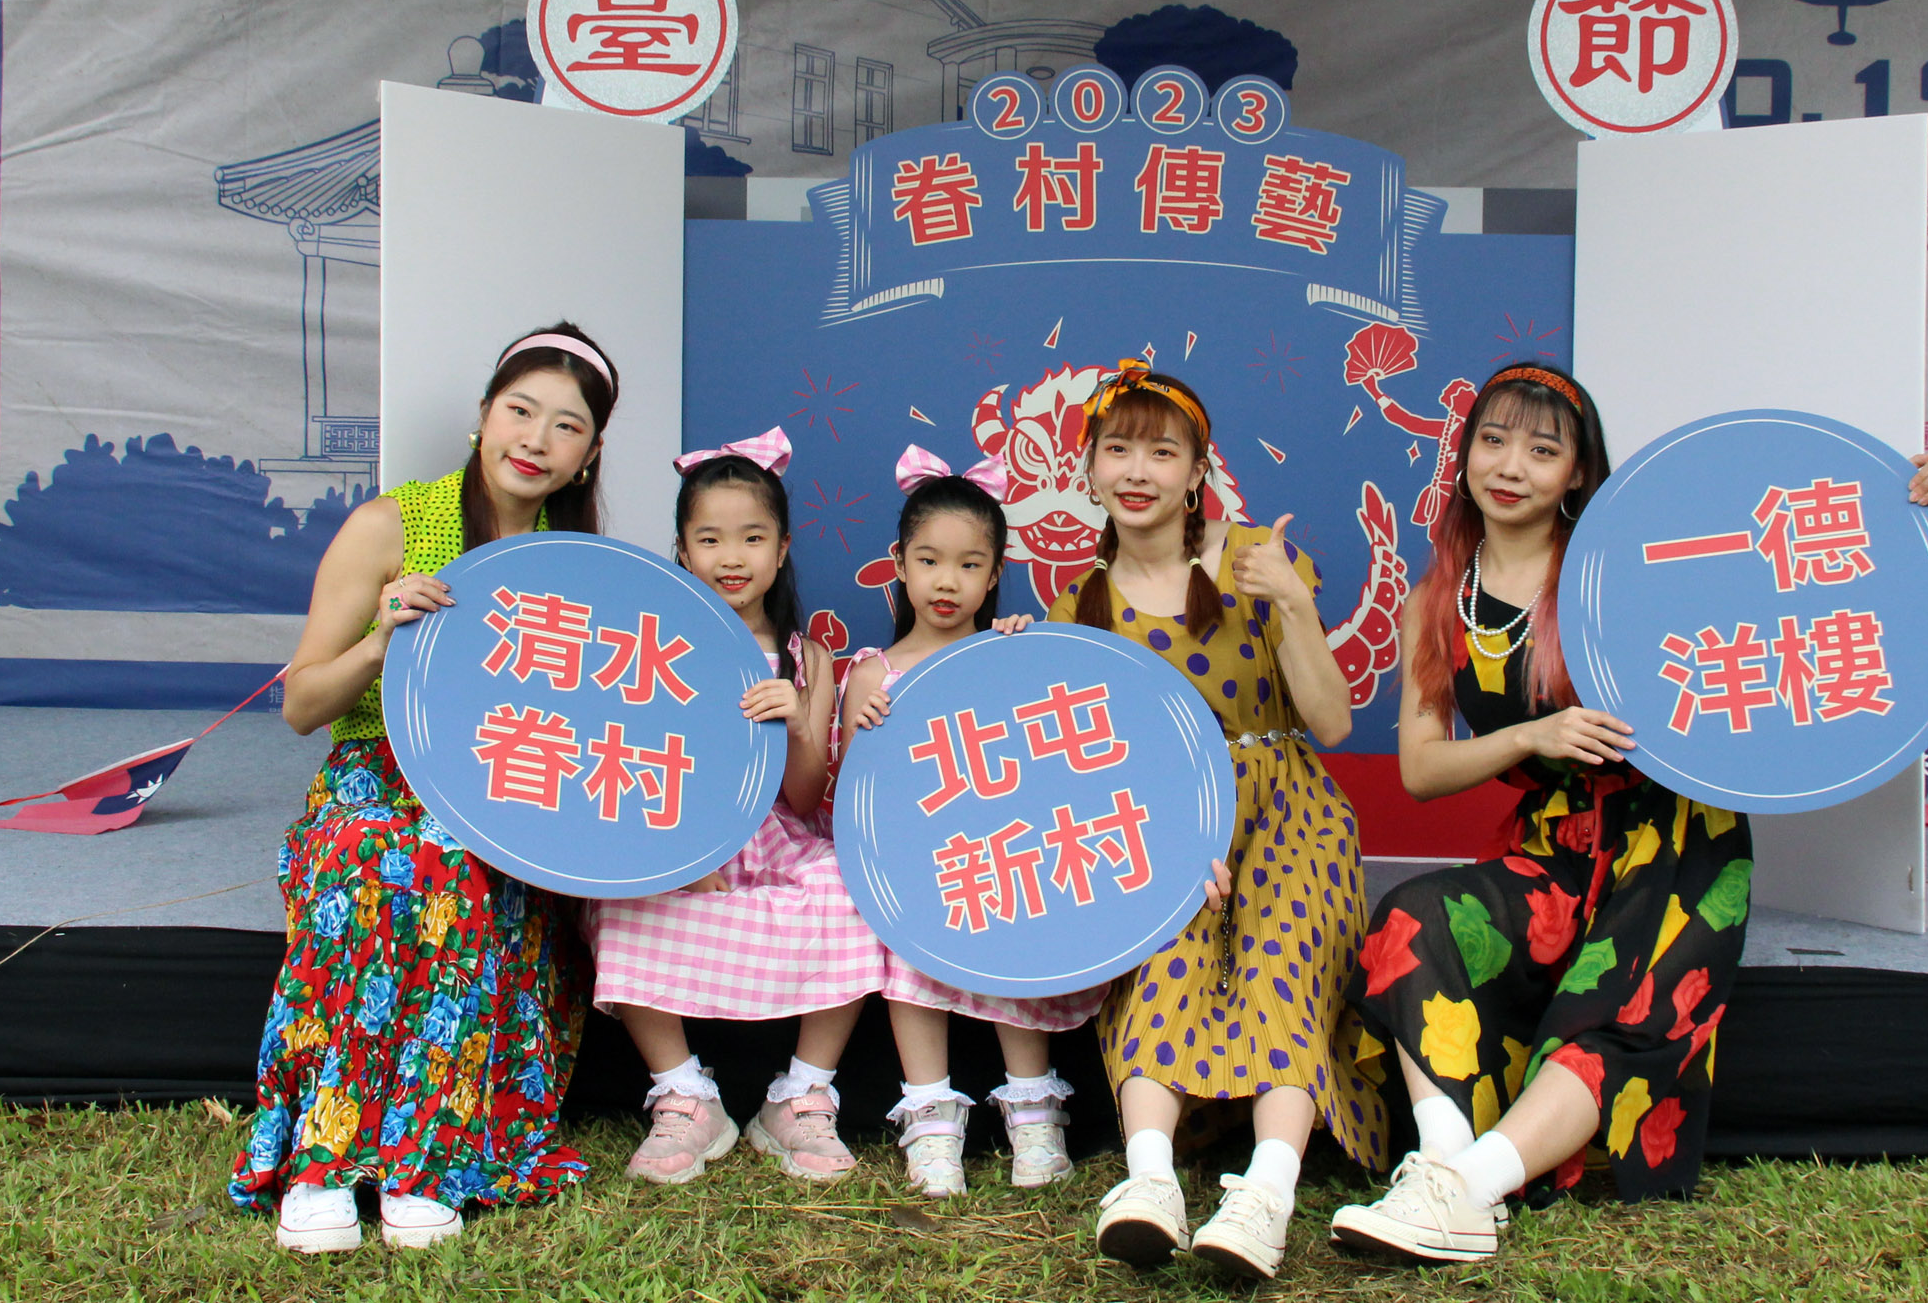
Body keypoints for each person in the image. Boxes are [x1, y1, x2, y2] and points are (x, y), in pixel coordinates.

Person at [1328, 361, 1928, 1264]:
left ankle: (1468, 1188)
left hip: (1678, 839)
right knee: (1412, 920)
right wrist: (1529, 736)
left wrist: (1907, 512)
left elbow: (1796, 578)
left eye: (1542, 450)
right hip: (1554, 845)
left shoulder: (1624, 562)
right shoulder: (1438, 598)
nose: (1511, 466)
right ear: (1464, 456)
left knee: (1621, 1002)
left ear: (1578, 471)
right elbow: (1422, 769)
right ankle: (1443, 1167)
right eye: (1493, 441)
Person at [233, 323, 616, 1253]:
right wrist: (381, 640)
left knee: (469, 864)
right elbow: (301, 706)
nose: (536, 438)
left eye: (565, 425)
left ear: (588, 452)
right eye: (520, 410)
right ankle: (324, 1162)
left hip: (504, 789)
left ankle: (424, 1160)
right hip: (376, 777)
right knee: (391, 856)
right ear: (485, 414)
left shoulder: (580, 562)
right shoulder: (394, 524)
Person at [1043, 362, 1386, 1282]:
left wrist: (1293, 602)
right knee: (1162, 960)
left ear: (1198, 471)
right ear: (1089, 467)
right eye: (1118, 449)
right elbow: (1079, 766)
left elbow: (1333, 723)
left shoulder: (1255, 558)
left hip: (1289, 809)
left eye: (1163, 452)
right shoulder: (1076, 605)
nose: (1138, 471)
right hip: (1165, 823)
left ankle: (1265, 1195)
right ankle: (1150, 1181)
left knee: (1283, 955)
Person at [587, 431, 873, 1187]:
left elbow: (804, 798)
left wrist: (800, 723)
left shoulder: (806, 656)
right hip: (676, 829)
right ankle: (684, 1093)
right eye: (709, 539)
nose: (731, 556)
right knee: (620, 896)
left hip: (772, 836)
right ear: (682, 551)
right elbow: (630, 758)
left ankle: (802, 1095)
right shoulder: (650, 642)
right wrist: (687, 854)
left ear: (782, 550)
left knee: (849, 888)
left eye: (752, 537)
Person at [836, 446, 1108, 1197]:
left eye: (969, 564)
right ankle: (931, 1120)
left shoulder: (1008, 651)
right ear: (900, 563)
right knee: (903, 941)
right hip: (912, 859)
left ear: (994, 575)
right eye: (929, 561)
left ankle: (1034, 1111)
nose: (947, 581)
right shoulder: (874, 671)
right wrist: (862, 725)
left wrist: (1023, 656)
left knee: (1017, 915)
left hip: (996, 850)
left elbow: (1049, 765)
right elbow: (851, 797)